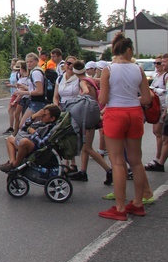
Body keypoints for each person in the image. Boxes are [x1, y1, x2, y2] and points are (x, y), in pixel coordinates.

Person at [98, 33, 152, 221]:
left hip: (115, 114)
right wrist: (132, 99)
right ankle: (138, 202)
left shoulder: (108, 70)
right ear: (128, 50)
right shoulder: (138, 69)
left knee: (118, 161)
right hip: (134, 113)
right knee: (136, 161)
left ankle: (120, 206)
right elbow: (146, 99)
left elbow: (103, 100)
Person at [69, 60, 112, 183]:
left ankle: (109, 170)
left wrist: (78, 100)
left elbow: (86, 92)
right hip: (92, 114)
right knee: (85, 146)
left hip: (87, 116)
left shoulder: (83, 82)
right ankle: (83, 171)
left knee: (87, 148)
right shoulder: (90, 79)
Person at [0, 104, 61, 172]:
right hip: (32, 143)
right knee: (10, 139)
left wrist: (33, 133)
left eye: (44, 115)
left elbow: (42, 144)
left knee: (24, 142)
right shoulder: (41, 123)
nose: (41, 116)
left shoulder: (51, 128)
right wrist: (34, 116)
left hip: (40, 150)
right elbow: (24, 127)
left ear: (52, 118)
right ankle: (11, 162)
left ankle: (15, 165)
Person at [145, 54, 167, 171]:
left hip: (163, 107)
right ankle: (158, 158)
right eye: (157, 63)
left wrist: (156, 90)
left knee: (159, 133)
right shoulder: (157, 75)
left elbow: (165, 92)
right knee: (158, 134)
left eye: (160, 63)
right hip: (157, 107)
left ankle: (158, 159)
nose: (158, 65)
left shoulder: (166, 76)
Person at [3, 58, 20, 134]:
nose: (12, 66)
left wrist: (11, 85)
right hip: (13, 93)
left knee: (11, 110)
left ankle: (12, 127)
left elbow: (20, 84)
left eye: (13, 64)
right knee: (15, 111)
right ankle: (15, 126)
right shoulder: (12, 73)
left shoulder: (18, 73)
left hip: (17, 93)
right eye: (11, 64)